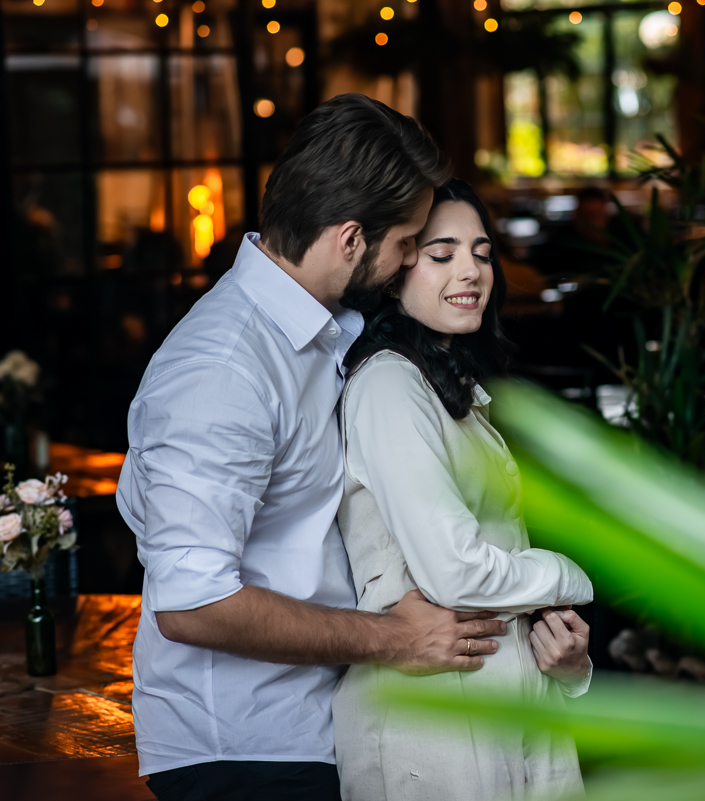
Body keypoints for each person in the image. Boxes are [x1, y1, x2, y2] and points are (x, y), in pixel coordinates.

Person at [115, 95, 579, 801]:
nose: (405, 266)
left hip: (316, 724)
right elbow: (192, 604)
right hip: (242, 749)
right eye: (408, 245)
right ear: (352, 239)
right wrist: (394, 637)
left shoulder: (328, 331)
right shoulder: (222, 368)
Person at [334, 179, 594, 801]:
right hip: (436, 718)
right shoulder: (389, 386)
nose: (471, 271)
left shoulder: (447, 386)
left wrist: (567, 661)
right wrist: (567, 577)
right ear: (396, 270)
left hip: (505, 698)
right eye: (441, 253)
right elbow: (454, 571)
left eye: (481, 252)